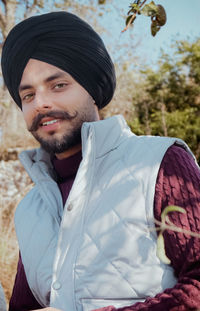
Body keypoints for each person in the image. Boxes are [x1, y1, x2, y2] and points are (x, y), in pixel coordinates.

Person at [1, 11, 200, 311]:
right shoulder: (31, 209)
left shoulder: (158, 163)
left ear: (93, 90)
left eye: (58, 86)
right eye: (27, 94)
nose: (40, 103)